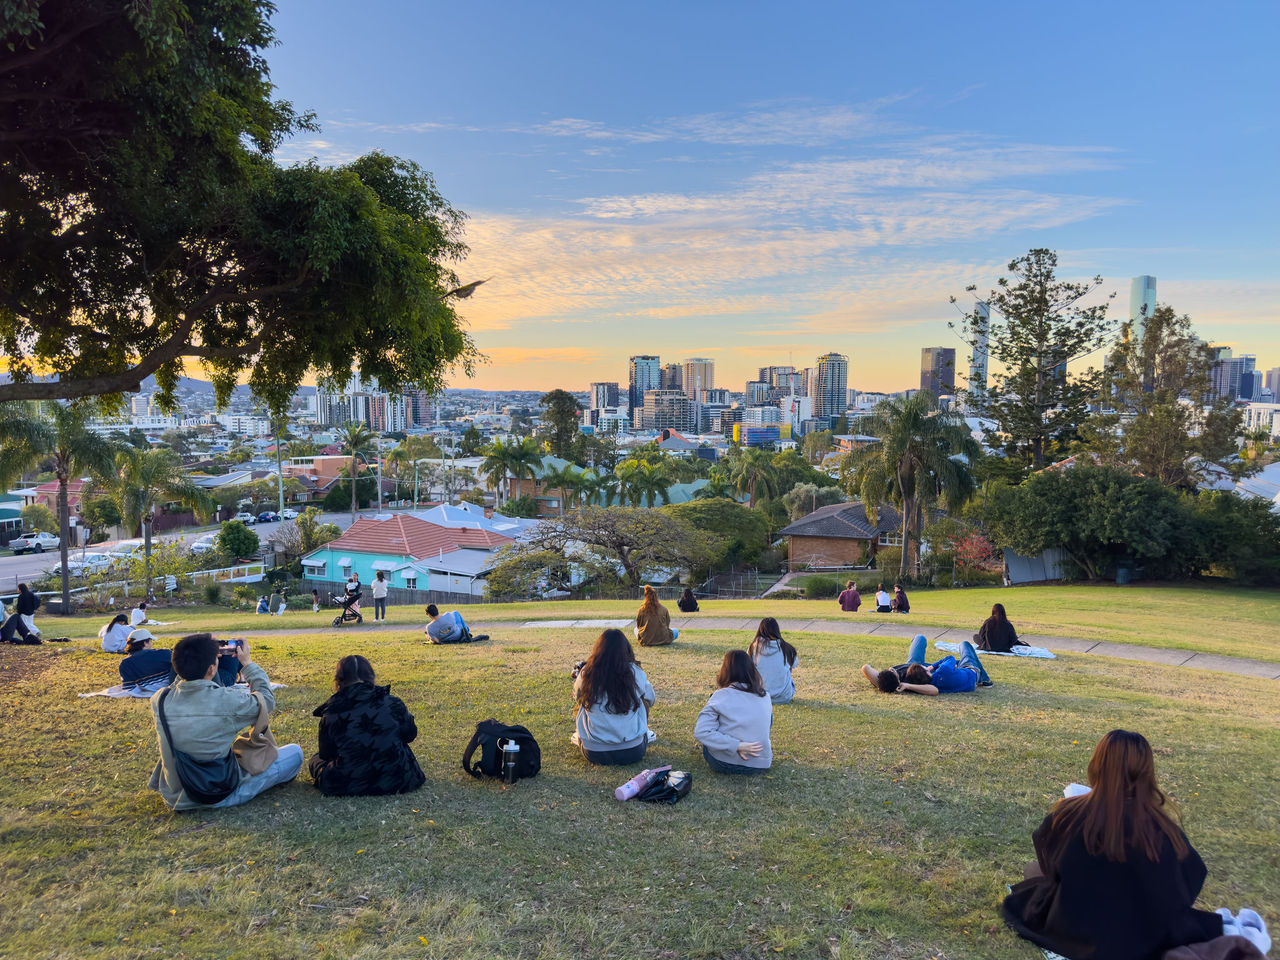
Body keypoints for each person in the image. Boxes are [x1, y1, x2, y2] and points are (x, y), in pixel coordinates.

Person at [1001, 730, 1229, 960]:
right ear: (1147, 771)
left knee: (1033, 872)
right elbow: (1191, 877)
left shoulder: (1071, 812)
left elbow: (1050, 864)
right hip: (1143, 932)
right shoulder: (1163, 829)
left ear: (1098, 763)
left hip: (1076, 923)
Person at [148, 634, 303, 810]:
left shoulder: (159, 699)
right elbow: (266, 701)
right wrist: (248, 663)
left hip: (175, 795)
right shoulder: (229, 701)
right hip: (217, 794)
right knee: (295, 753)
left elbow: (187, 682)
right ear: (211, 670)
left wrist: (201, 657)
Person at [308, 655, 425, 796]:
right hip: (399, 778)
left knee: (316, 759)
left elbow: (326, 754)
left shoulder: (331, 713)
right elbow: (410, 734)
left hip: (349, 784)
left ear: (339, 680)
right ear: (371, 676)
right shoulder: (393, 703)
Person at [572, 628, 656, 765]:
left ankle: (582, 734)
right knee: (642, 699)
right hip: (633, 751)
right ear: (626, 650)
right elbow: (651, 698)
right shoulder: (635, 672)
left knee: (582, 701)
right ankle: (641, 732)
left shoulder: (586, 673)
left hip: (594, 752)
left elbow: (577, 696)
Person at [695, 650, 772, 774]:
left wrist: (737, 746)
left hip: (723, 762)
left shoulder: (720, 696)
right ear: (752, 670)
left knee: (708, 735)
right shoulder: (765, 696)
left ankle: (731, 745)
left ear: (725, 671)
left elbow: (701, 732)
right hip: (760, 763)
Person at [862, 634, 992, 694]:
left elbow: (865, 668)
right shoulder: (921, 682)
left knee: (920, 638)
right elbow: (949, 659)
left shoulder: (913, 681)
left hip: (919, 669)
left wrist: (882, 682)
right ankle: (985, 678)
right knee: (964, 645)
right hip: (968, 672)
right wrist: (933, 667)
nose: (892, 668)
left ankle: (984, 679)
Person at [121, 628, 240, 692]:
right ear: (146, 642)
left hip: (186, 679)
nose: (152, 644)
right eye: (151, 641)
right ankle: (243, 671)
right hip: (203, 680)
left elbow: (129, 688)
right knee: (231, 648)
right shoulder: (160, 654)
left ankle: (242, 671)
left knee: (220, 650)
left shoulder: (125, 664)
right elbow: (185, 657)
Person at [748, 617, 797, 704]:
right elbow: (795, 664)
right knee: (788, 668)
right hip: (784, 697)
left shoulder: (753, 648)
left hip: (759, 697)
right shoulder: (787, 648)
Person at [423, 603, 488, 643]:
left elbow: (436, 641)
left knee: (427, 633)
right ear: (437, 610)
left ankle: (467, 631)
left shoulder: (429, 627)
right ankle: (467, 631)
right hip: (458, 635)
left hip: (445, 639)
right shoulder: (448, 615)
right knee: (455, 613)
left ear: (429, 614)